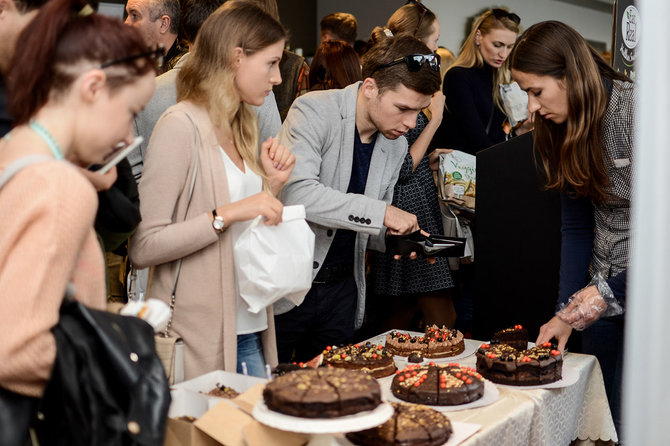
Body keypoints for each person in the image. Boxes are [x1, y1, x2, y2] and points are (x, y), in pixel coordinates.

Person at [0, 0, 156, 403]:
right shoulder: (63, 188)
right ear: (92, 87)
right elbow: (14, 351)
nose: (127, 137)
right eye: (130, 112)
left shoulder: (12, 150)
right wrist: (110, 351)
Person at [130, 1, 294, 379]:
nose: (278, 79)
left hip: (249, 326)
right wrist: (229, 213)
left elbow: (245, 226)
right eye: (270, 64)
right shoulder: (180, 125)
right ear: (237, 58)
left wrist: (272, 186)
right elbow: (144, 246)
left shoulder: (241, 124)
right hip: (199, 338)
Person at [274, 34, 441, 363]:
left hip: (343, 291)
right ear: (370, 88)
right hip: (288, 287)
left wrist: (396, 240)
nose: (410, 124)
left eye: (419, 111)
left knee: (334, 397)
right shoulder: (313, 111)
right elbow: (298, 193)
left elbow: (366, 224)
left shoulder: (394, 144)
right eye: (403, 108)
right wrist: (383, 213)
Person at [510, 20, 634, 438]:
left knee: (636, 414)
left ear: (570, 75)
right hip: (600, 292)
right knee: (606, 422)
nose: (531, 106)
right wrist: (568, 310)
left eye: (536, 91)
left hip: (647, 288)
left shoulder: (638, 111)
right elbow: (576, 226)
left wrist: (608, 291)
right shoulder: (557, 129)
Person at [365, 2, 455, 332]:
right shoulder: (395, 92)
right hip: (406, 205)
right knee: (435, 315)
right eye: (434, 41)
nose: (435, 49)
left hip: (415, 202)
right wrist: (435, 121)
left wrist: (427, 156)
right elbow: (401, 167)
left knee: (402, 311)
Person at [129, 0, 282, 181]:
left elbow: (133, 183)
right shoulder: (180, 118)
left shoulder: (144, 94)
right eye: (270, 63)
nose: (276, 78)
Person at [432, 8, 521, 154]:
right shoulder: (458, 76)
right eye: (497, 45)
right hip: (459, 172)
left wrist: (520, 131)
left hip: (483, 167)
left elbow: (494, 138)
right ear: (478, 36)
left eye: (509, 47)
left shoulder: (501, 81)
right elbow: (478, 140)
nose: (503, 54)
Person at [124, 0, 186, 73]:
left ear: (163, 24)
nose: (126, 23)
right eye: (128, 14)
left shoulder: (186, 74)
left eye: (135, 15)